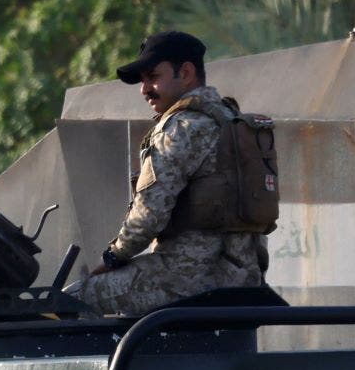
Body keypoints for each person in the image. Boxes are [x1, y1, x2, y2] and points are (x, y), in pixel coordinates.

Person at [72, 29, 270, 319]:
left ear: (186, 72)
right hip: (242, 275)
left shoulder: (181, 128)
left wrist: (112, 257)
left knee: (72, 301)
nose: (144, 89)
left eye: (153, 76)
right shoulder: (231, 120)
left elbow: (148, 216)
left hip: (189, 277)